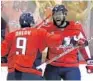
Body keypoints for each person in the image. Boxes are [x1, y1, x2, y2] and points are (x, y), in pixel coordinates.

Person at [1, 12, 61, 80]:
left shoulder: (11, 35)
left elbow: (2, 52)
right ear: (32, 22)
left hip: (13, 75)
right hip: (32, 74)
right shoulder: (39, 33)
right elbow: (56, 40)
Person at [41, 5, 93, 80]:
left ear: (65, 14)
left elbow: (83, 46)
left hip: (71, 67)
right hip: (52, 66)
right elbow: (36, 41)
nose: (57, 17)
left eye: (59, 14)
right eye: (55, 15)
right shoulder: (47, 28)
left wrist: (89, 60)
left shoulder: (76, 27)